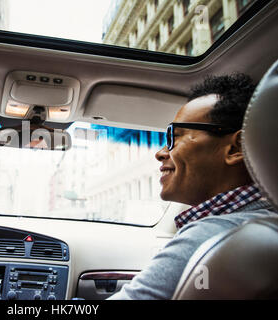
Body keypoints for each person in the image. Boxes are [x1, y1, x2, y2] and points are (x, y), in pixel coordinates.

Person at [108, 73, 277, 300]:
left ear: (235, 148)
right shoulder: (263, 222)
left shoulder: (210, 236)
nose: (160, 153)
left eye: (174, 136)